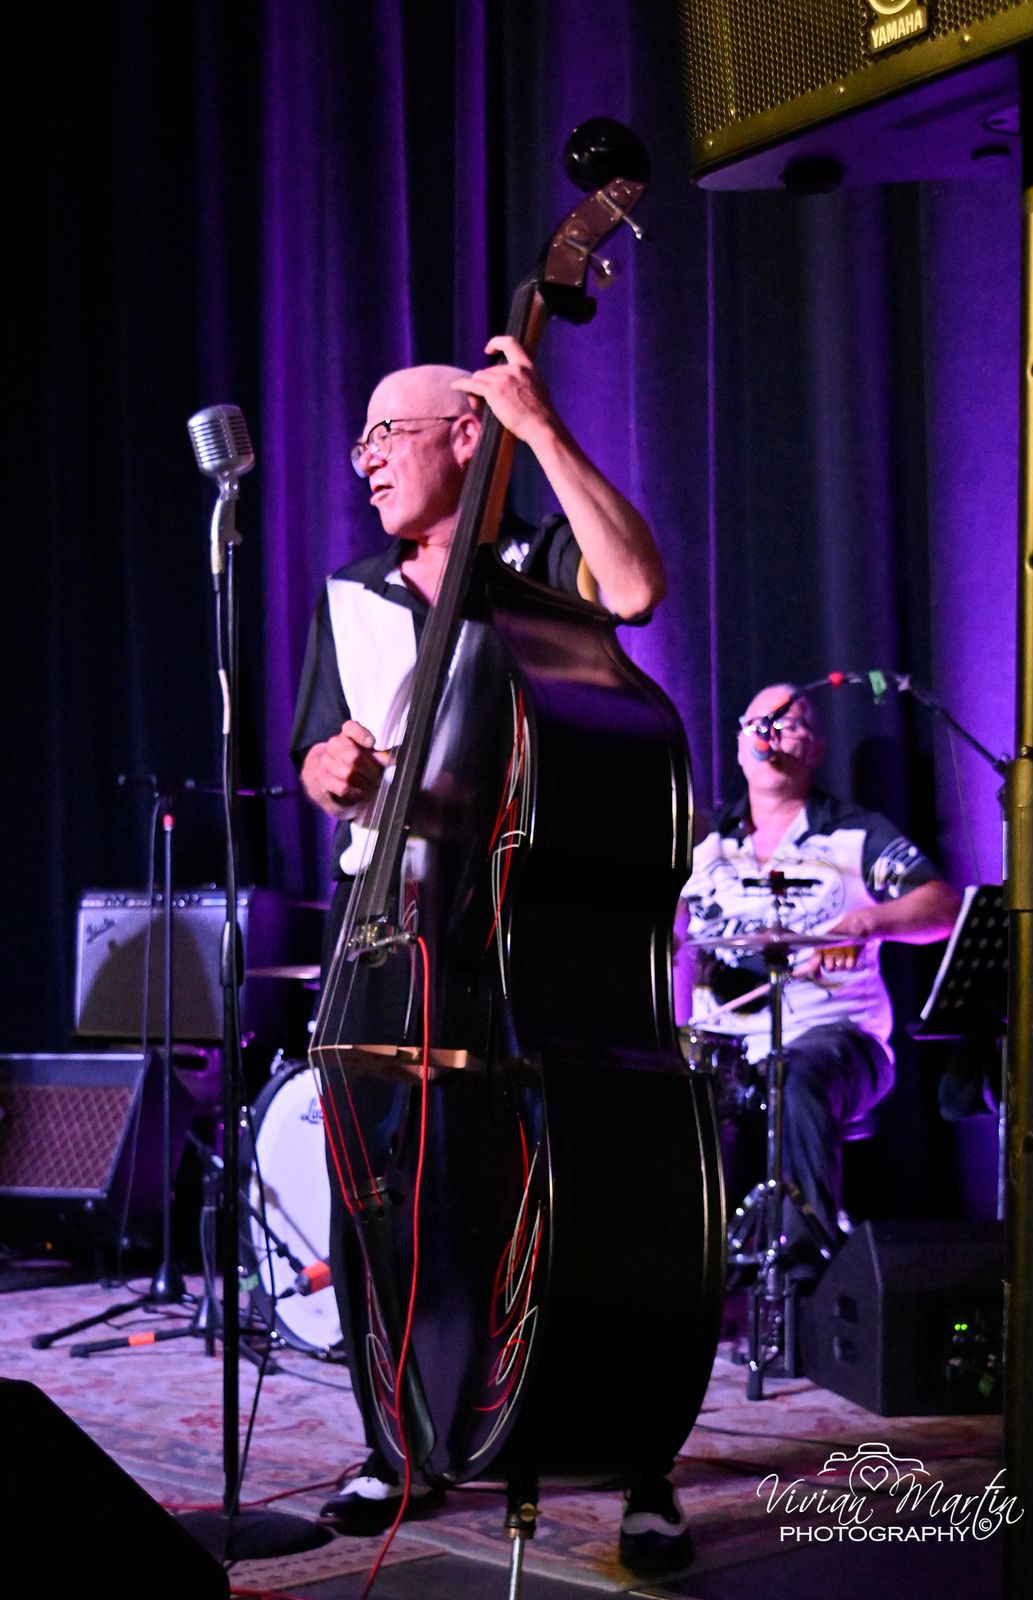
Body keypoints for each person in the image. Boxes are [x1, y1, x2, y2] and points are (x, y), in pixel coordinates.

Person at [290, 337, 690, 1576]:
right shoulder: (350, 591)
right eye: (359, 440)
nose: (363, 460)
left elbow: (634, 590)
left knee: (582, 1201)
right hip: (393, 923)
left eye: (387, 434)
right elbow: (318, 758)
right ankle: (396, 1441)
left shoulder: (538, 562)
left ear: (467, 435)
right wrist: (330, 772)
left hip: (532, 937)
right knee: (381, 1197)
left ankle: (631, 1455)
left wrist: (542, 427)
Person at [681, 682, 960, 1270]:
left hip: (838, 1040)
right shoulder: (705, 845)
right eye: (761, 723)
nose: (773, 733)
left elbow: (941, 906)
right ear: (740, 745)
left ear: (815, 748)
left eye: (792, 723)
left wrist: (866, 923)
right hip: (724, 1046)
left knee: (793, 1076)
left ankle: (802, 1269)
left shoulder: (855, 833)